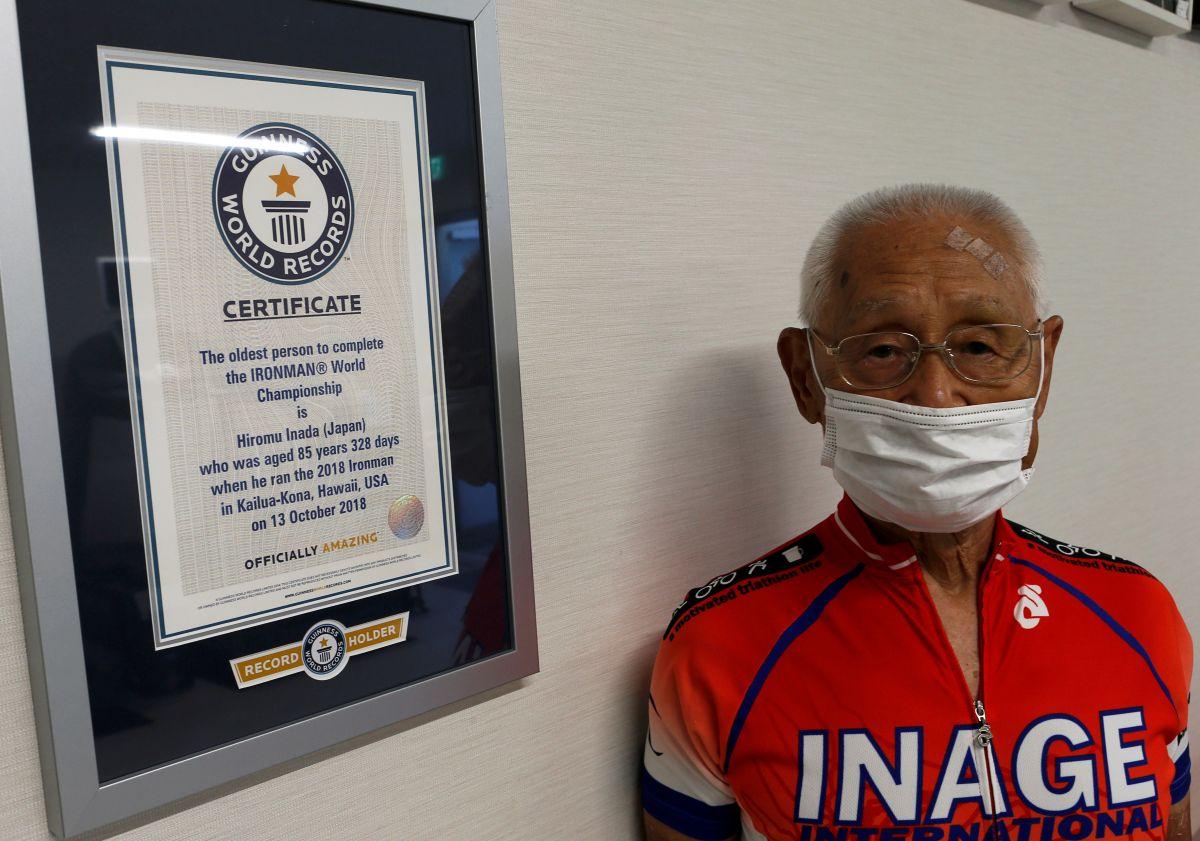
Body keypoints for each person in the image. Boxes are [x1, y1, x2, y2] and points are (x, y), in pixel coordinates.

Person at [641, 184, 1192, 841]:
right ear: (804, 375)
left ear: (1042, 366)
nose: (935, 395)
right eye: (882, 351)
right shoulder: (719, 648)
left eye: (981, 347)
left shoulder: (1137, 613)